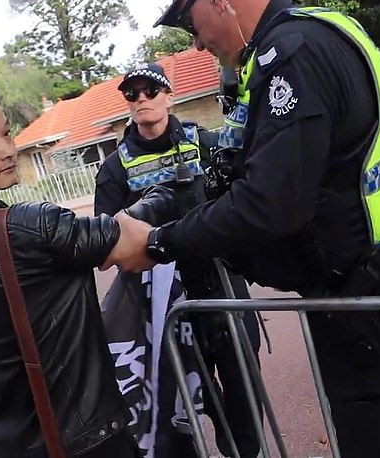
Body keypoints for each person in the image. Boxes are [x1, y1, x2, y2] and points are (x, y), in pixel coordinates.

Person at [109, 1, 380, 457]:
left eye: (192, 22)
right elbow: (237, 177)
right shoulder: (312, 30)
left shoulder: (291, 55)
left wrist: (157, 243)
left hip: (366, 296)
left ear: (221, 3)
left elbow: (267, 203)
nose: (195, 40)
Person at [0, 78, 178, 458]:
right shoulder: (27, 225)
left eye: (7, 135)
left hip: (5, 443)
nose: (8, 150)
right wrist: (162, 197)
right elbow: (129, 244)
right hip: (86, 438)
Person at [94, 62, 260, 457]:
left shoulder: (204, 142)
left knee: (243, 390)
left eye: (151, 91)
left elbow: (240, 202)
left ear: (169, 96)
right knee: (174, 401)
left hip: (220, 284)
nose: (141, 100)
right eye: (132, 93)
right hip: (159, 302)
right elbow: (107, 244)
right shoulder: (114, 168)